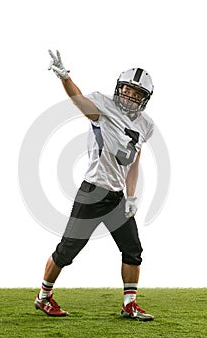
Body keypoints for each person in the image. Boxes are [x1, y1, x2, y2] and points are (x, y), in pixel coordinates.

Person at [34, 50, 155, 321]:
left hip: (117, 197)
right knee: (66, 251)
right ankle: (43, 297)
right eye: (127, 90)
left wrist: (132, 196)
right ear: (119, 88)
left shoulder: (146, 125)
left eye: (137, 94)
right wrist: (66, 78)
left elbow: (135, 161)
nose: (130, 96)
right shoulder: (103, 106)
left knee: (133, 250)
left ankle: (129, 304)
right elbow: (78, 100)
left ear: (144, 99)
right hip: (91, 193)